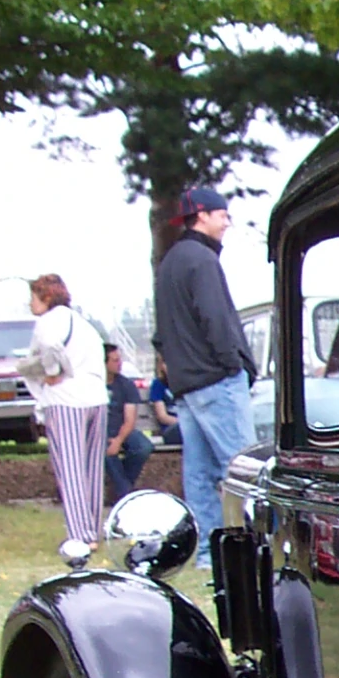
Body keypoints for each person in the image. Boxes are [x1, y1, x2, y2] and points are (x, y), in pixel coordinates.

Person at [152, 184, 257, 565]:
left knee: (197, 477)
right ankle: (260, 548)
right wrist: (234, 363)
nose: (227, 222)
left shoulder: (170, 262)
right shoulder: (202, 260)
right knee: (245, 471)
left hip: (187, 388)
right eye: (222, 215)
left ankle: (209, 558)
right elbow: (216, 317)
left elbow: (161, 332)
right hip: (216, 380)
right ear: (203, 216)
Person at [27, 273, 109, 552]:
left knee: (71, 467)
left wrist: (52, 371)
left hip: (66, 399)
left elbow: (50, 346)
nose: (30, 304)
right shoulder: (85, 325)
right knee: (92, 467)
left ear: (45, 297)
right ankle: (93, 528)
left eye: (33, 298)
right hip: (96, 397)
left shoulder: (49, 322)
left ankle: (80, 534)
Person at [103, 344, 153, 503]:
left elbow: (130, 420)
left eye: (120, 360)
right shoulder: (92, 385)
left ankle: (122, 490)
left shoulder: (126, 385)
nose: (120, 364)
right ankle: (127, 495)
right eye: (115, 360)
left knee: (143, 446)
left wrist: (118, 441)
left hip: (122, 430)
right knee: (103, 450)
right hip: (99, 431)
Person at [149, 356, 182, 448]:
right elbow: (162, 417)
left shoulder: (186, 383)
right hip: (171, 429)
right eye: (165, 363)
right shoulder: (158, 384)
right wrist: (185, 423)